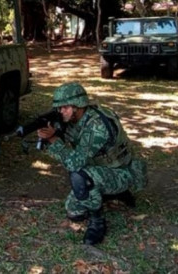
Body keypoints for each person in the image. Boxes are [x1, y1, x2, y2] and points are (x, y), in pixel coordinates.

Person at [37, 82, 148, 245]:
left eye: (65, 107)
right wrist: (54, 135)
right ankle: (110, 193)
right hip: (102, 168)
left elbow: (74, 163)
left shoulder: (97, 126)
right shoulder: (77, 119)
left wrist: (53, 140)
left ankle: (98, 222)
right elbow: (71, 144)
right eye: (59, 108)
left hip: (121, 172)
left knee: (79, 176)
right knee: (74, 213)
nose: (61, 112)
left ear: (78, 106)